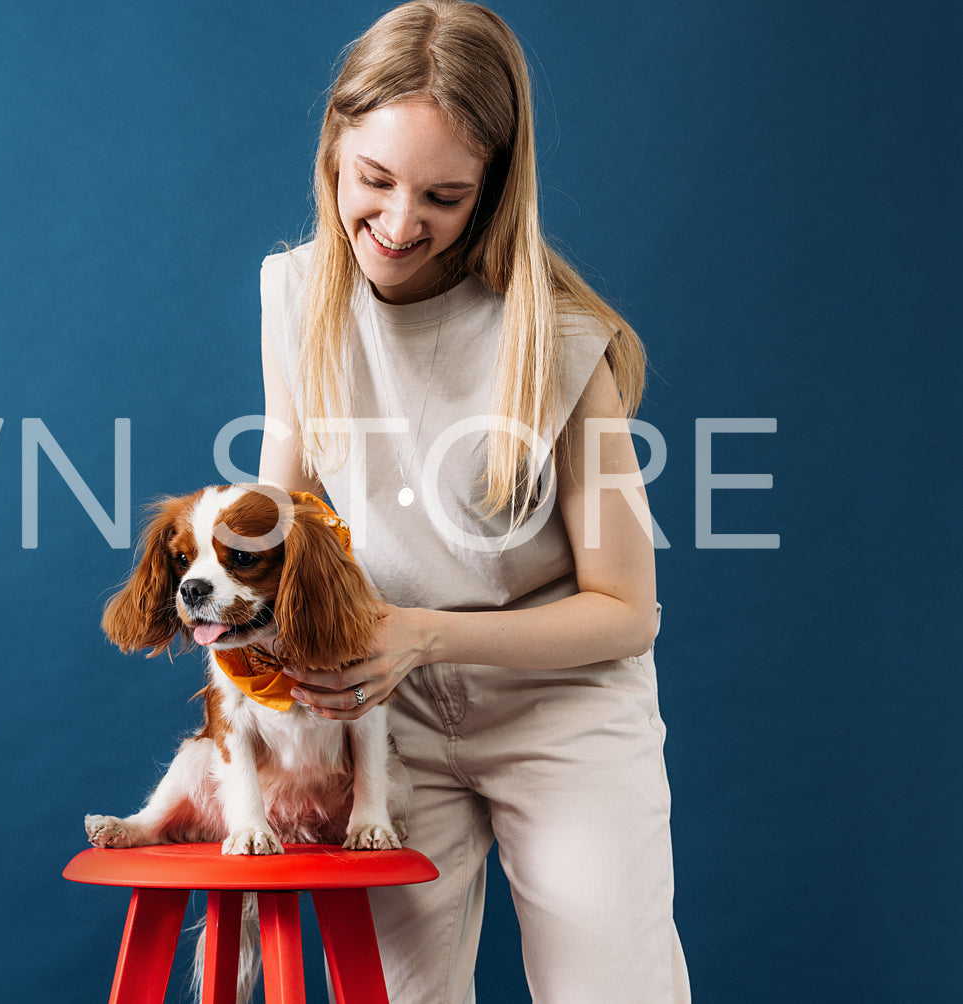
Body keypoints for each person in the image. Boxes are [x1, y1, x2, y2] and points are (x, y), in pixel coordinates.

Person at [255, 2, 692, 1001]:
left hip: (559, 708)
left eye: (443, 196)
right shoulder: (292, 297)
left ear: (492, 190)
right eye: (373, 181)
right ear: (334, 147)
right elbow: (277, 520)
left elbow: (625, 612)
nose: (400, 223)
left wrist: (421, 632)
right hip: (385, 714)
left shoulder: (556, 339)